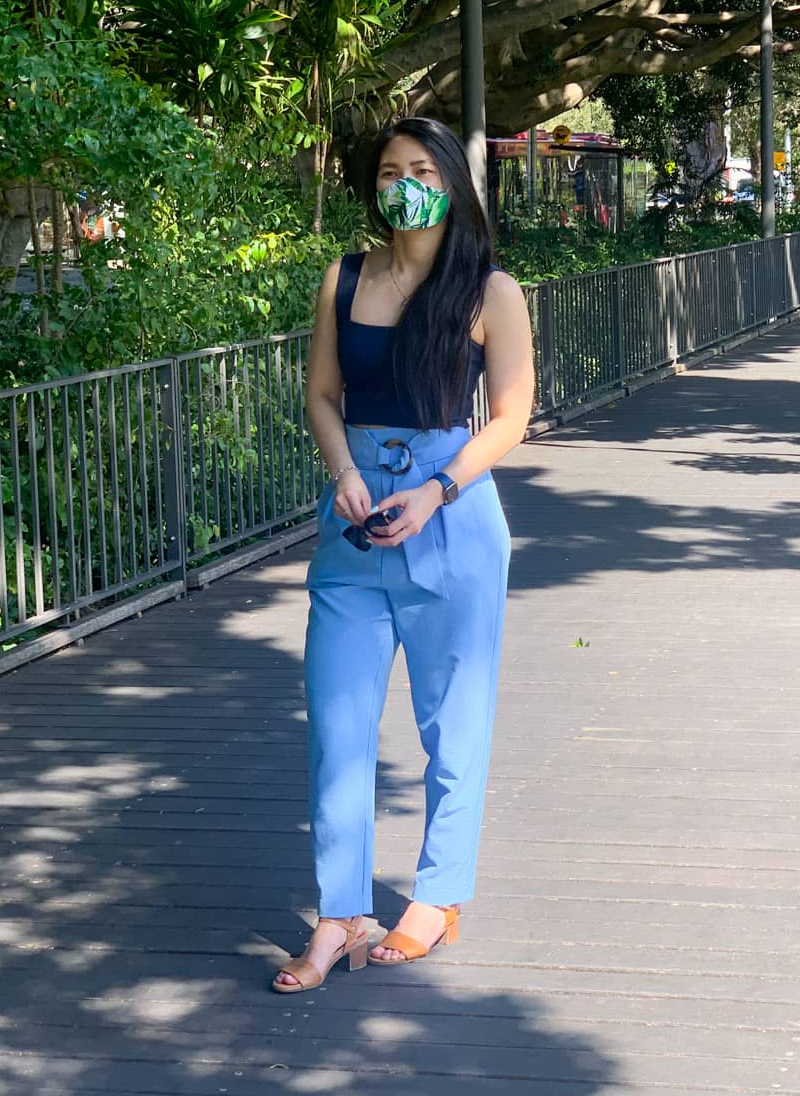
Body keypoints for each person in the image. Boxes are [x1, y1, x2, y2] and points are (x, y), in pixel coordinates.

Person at [271, 117, 535, 994]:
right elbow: (321, 392)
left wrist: (436, 490)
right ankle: (341, 913)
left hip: (449, 515)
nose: (404, 184)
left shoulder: (488, 291)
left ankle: (438, 895)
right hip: (352, 526)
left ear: (453, 183)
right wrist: (343, 468)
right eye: (390, 171)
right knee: (337, 728)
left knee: (450, 720)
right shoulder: (343, 278)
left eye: (422, 169)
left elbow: (509, 418)